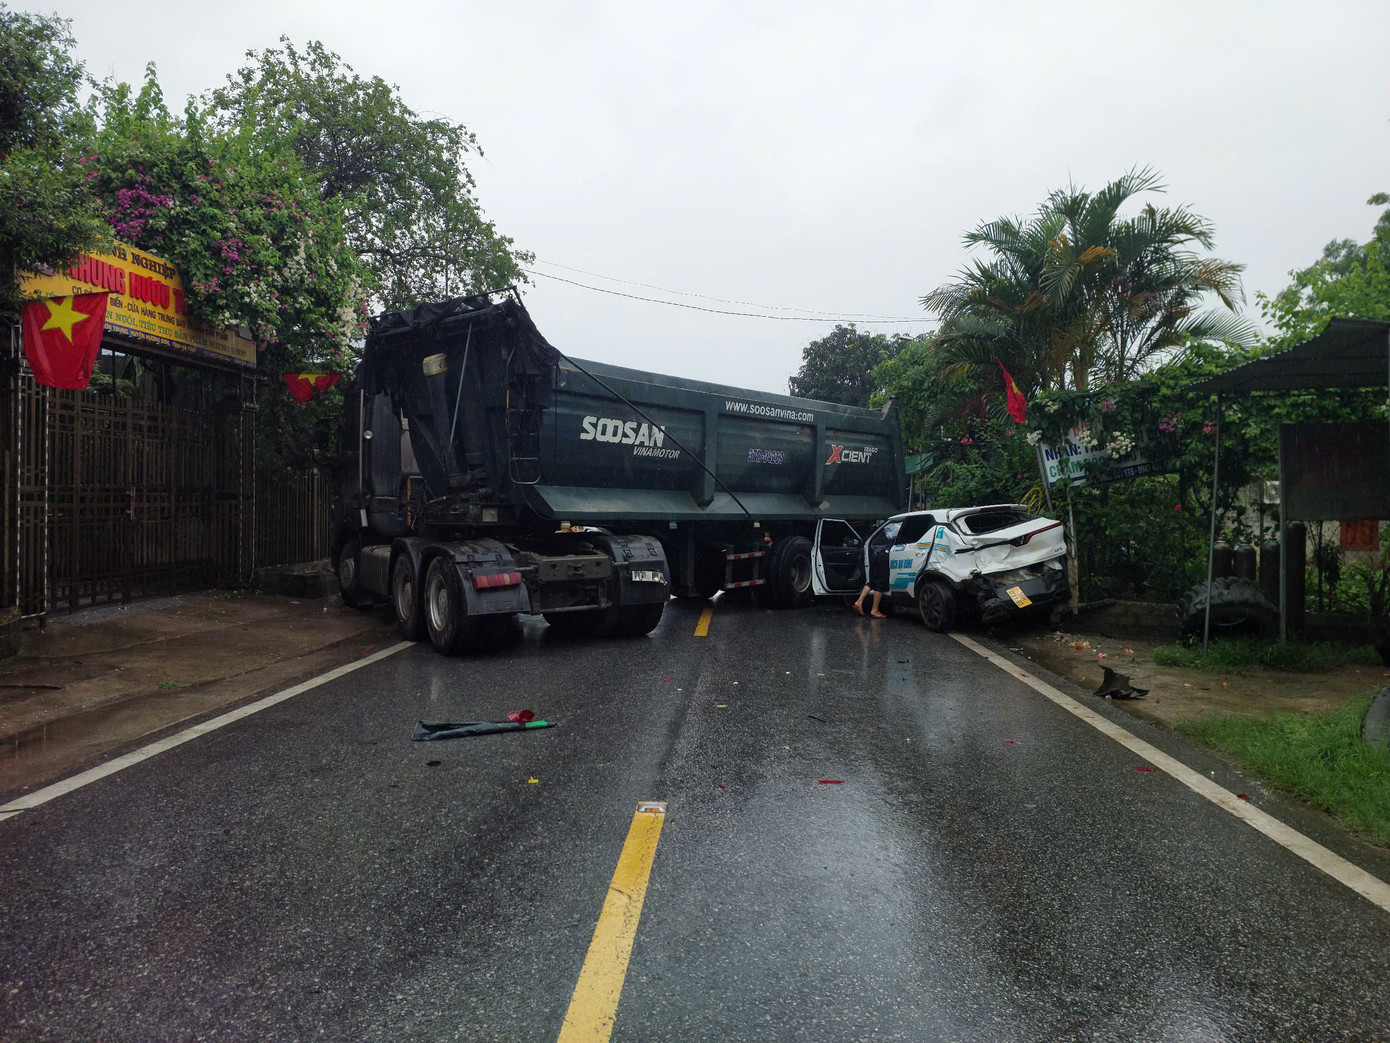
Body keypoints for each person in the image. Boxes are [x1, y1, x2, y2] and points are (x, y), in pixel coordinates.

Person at [853, 519, 898, 618]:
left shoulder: (895, 524)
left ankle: (859, 602)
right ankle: (874, 610)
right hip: (887, 556)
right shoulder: (903, 527)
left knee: (873, 581)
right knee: (880, 583)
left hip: (882, 554)